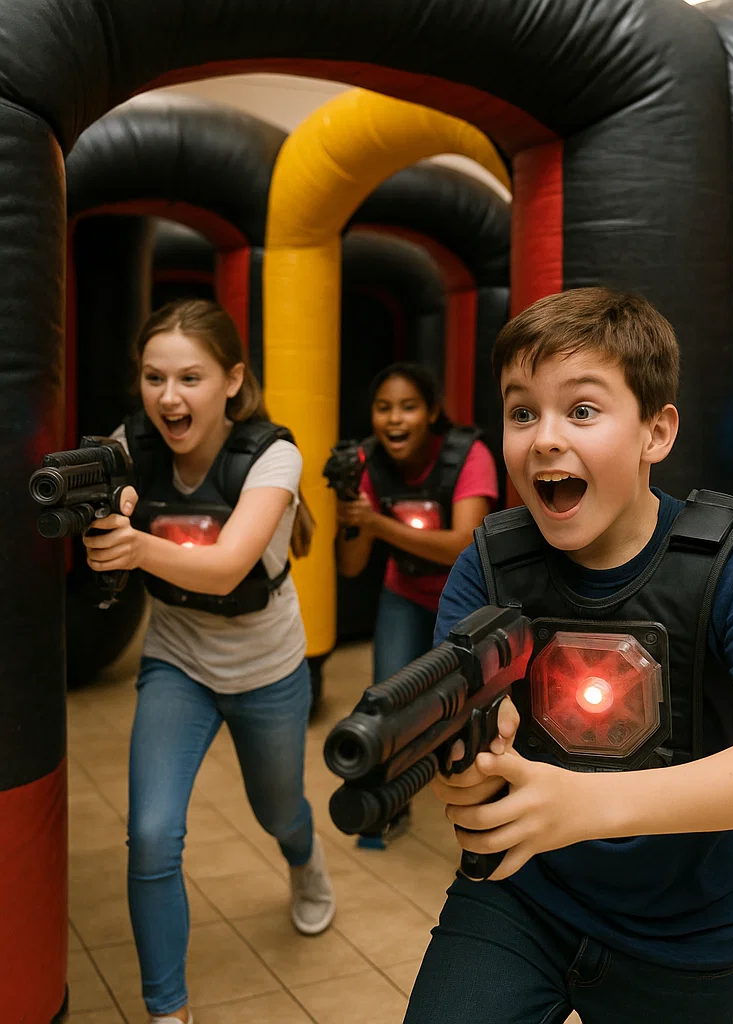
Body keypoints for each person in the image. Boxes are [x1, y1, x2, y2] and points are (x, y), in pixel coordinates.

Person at [402, 288, 733, 1024]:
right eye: (521, 412)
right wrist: (468, 768)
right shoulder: (490, 565)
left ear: (655, 431)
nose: (544, 438)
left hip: (684, 931)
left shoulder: (732, 560)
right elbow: (466, 728)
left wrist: (583, 805)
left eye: (581, 410)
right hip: (520, 894)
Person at [83, 299, 335, 1024]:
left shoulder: (273, 456)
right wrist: (101, 508)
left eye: (189, 377)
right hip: (177, 662)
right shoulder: (126, 444)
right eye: (154, 377)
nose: (168, 397)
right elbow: (100, 501)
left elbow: (226, 568)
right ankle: (169, 1012)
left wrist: (133, 547)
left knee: (278, 810)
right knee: (153, 835)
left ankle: (304, 859)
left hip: (267, 668)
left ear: (231, 380)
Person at [336, 362, 498, 846]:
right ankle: (387, 804)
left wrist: (379, 524)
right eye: (383, 408)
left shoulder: (469, 455)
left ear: (430, 412)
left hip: (469, 601)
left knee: (474, 706)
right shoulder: (364, 463)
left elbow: (461, 547)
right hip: (403, 593)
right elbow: (350, 565)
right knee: (386, 701)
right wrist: (350, 515)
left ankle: (485, 805)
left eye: (408, 407)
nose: (394, 420)